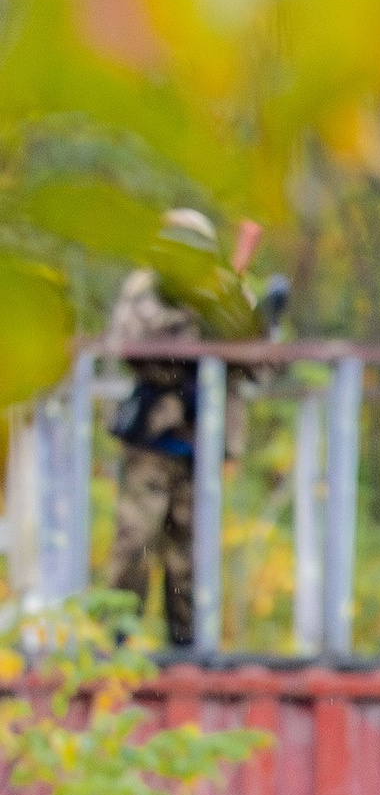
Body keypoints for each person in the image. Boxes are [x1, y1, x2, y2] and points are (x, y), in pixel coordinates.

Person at [102, 210, 269, 649]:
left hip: (203, 442)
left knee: (190, 557)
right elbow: (128, 343)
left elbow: (261, 362)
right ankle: (118, 641)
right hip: (153, 437)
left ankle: (188, 650)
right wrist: (189, 318)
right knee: (134, 540)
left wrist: (229, 317)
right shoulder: (147, 288)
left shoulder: (227, 290)